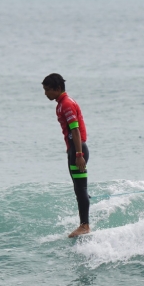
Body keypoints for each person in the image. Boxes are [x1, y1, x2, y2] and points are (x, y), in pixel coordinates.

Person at [42, 73, 90, 238]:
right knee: (79, 188)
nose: (45, 93)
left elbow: (75, 130)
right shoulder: (62, 103)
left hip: (78, 150)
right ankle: (84, 217)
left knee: (81, 188)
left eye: (47, 90)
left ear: (57, 89)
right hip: (74, 150)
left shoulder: (67, 104)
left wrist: (78, 154)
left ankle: (85, 226)